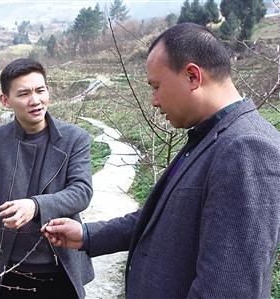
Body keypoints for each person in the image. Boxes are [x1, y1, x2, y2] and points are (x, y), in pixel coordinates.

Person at [42, 23, 280, 298]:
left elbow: (228, 289)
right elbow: (164, 218)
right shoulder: (210, 136)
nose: (154, 101)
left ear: (192, 76)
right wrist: (87, 235)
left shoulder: (247, 148)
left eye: (156, 86)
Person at [0, 58, 94, 299]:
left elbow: (81, 191)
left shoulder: (75, 139)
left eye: (41, 90)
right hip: (11, 269)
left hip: (61, 267)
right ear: (5, 100)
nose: (35, 100)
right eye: (24, 94)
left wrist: (36, 205)